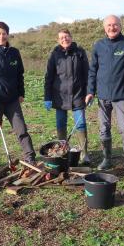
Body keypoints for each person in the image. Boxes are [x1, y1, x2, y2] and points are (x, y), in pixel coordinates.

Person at [85, 15, 124, 177]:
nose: (112, 28)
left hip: (122, 95)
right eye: (109, 25)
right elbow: (92, 71)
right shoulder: (98, 45)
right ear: (104, 27)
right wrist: (90, 91)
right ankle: (107, 158)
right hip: (102, 96)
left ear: (120, 26)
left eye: (115, 25)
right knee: (104, 129)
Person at [0, 21, 36, 173]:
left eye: (4, 33)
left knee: (21, 128)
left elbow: (19, 74)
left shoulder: (14, 53)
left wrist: (21, 93)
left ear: (7, 35)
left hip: (12, 100)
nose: (1, 36)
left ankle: (30, 157)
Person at [43, 28, 90, 164]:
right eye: (62, 37)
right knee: (60, 123)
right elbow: (49, 77)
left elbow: (87, 74)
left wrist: (89, 92)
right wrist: (47, 97)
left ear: (71, 37)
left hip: (78, 95)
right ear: (58, 40)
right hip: (60, 96)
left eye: (67, 36)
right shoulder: (54, 55)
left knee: (80, 124)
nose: (65, 39)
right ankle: (63, 152)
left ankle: (85, 154)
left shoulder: (80, 52)